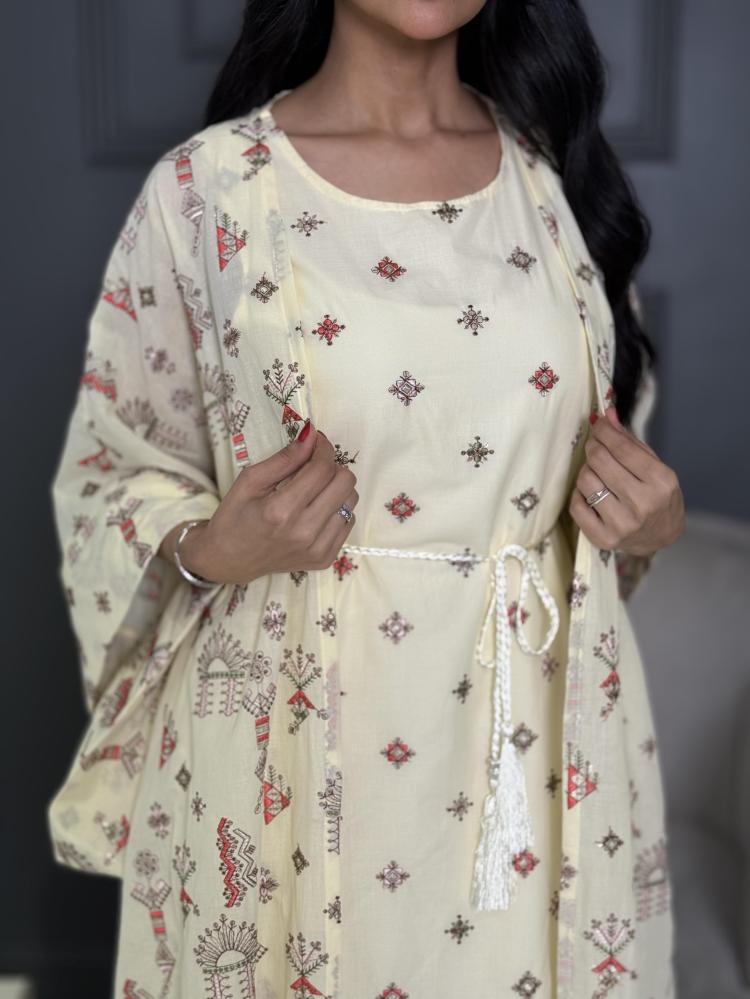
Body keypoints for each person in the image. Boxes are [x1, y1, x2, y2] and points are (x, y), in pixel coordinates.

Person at [48, 1, 685, 996]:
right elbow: (111, 471)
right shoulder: (209, 189)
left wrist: (650, 521)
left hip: (532, 749)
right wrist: (212, 547)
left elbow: (608, 470)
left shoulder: (553, 177)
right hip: (294, 746)